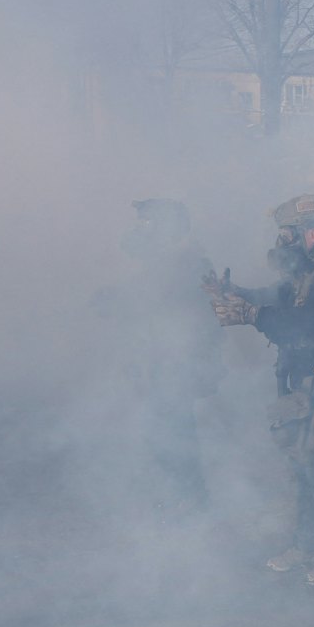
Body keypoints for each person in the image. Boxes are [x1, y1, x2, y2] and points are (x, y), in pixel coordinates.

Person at [206, 193, 314, 586]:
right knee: (303, 462)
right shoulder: (310, 271)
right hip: (310, 379)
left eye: (295, 232)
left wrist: (252, 315)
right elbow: (273, 297)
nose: (289, 241)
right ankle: (307, 543)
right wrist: (235, 293)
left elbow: (304, 320)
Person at [99, 198, 220, 511]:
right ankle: (177, 500)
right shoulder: (165, 262)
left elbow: (174, 303)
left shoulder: (190, 263)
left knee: (175, 434)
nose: (142, 230)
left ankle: (190, 503)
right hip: (159, 364)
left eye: (148, 223)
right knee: (160, 433)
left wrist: (124, 299)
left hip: (177, 365)